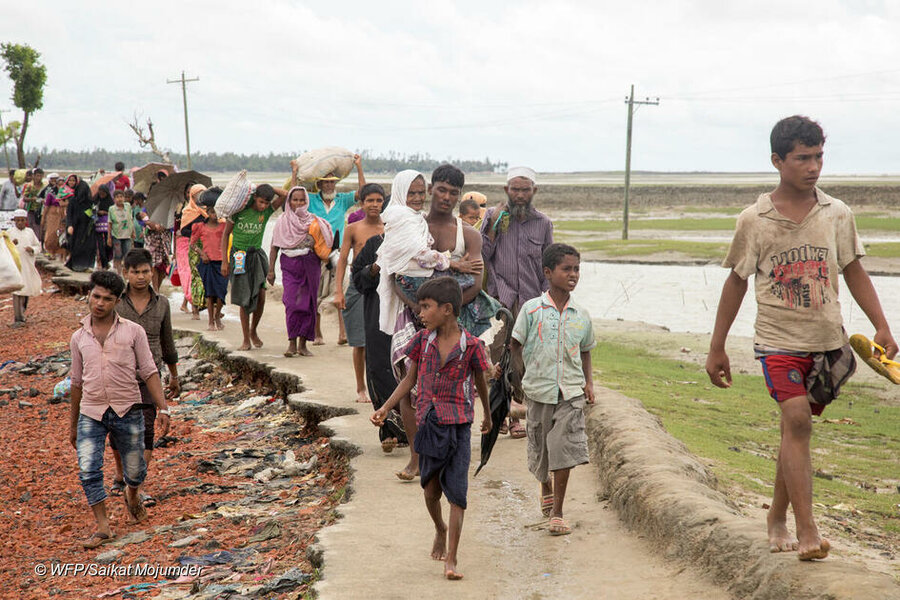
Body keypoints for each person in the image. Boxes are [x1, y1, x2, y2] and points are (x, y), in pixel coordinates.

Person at [705, 115, 898, 561]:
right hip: (777, 340)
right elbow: (735, 282)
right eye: (802, 158)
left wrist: (883, 325)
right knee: (797, 423)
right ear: (777, 161)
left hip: (828, 342)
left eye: (818, 157)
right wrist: (717, 347)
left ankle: (776, 515)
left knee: (796, 433)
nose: (813, 167)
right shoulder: (755, 219)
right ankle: (808, 532)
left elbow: (853, 270)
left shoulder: (837, 214)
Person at [371, 277, 491, 581]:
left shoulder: (472, 346)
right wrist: (385, 407)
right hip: (428, 422)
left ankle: (451, 559)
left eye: (426, 307)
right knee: (430, 490)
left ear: (447, 309)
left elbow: (480, 384)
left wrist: (488, 416)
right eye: (420, 307)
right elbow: (409, 380)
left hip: (459, 425)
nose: (420, 313)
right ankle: (439, 527)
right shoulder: (422, 342)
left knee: (457, 494)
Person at [69, 271, 171, 548]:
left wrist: (163, 409)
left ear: (116, 301)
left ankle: (133, 495)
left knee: (136, 470)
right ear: (89, 296)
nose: (100, 303)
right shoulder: (78, 338)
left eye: (107, 299)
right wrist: (73, 424)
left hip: (129, 407)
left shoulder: (133, 332)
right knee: (88, 469)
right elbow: (76, 383)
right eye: (96, 297)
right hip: (91, 411)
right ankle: (103, 527)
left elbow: (149, 371)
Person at [510, 243, 595, 536]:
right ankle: (544, 484)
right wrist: (519, 378)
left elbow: (585, 351)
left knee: (562, 447)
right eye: (566, 269)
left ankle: (558, 511)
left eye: (577, 269)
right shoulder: (532, 310)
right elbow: (515, 345)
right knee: (541, 446)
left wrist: (589, 383)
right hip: (538, 390)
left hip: (570, 392)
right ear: (548, 273)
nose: (573, 275)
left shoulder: (581, 315)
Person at [111, 248, 181, 507]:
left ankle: (136, 484)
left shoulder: (161, 304)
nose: (141, 277)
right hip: (117, 376)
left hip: (150, 375)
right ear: (125, 273)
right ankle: (120, 475)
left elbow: (168, 341)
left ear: (152, 271)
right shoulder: (116, 303)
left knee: (147, 430)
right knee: (117, 429)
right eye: (136, 272)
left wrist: (174, 376)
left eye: (145, 272)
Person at [352, 229, 407, 452]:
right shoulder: (375, 244)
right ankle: (388, 428)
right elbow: (358, 280)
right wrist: (375, 268)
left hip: (409, 311)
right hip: (378, 311)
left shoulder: (419, 241)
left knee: (407, 366)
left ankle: (409, 427)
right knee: (380, 365)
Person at [334, 182, 386, 403]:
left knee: (381, 340)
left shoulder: (389, 227)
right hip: (358, 287)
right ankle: (360, 388)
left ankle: (381, 386)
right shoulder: (353, 228)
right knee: (359, 342)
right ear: (362, 203)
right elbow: (343, 260)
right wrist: (338, 292)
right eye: (370, 200)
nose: (374, 205)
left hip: (382, 289)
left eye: (378, 200)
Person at [221, 182, 289, 351]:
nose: (263, 206)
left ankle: (254, 331)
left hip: (257, 256)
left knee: (261, 295)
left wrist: (268, 187)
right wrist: (224, 261)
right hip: (239, 256)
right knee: (244, 299)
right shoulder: (239, 211)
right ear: (254, 198)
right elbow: (225, 235)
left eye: (266, 203)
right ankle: (245, 339)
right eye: (261, 202)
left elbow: (286, 194)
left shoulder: (266, 212)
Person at [267, 186, 333, 357]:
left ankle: (303, 344)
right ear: (289, 202)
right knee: (291, 303)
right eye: (295, 199)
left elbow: (325, 241)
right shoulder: (282, 221)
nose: (298, 203)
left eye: (302, 200)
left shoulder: (314, 221)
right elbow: (274, 247)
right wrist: (271, 270)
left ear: (307, 201)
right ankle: (291, 343)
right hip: (289, 265)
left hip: (310, 264)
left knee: (309, 303)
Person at [309, 154, 366, 345]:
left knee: (341, 292)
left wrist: (359, 167)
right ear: (319, 185)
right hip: (316, 254)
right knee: (316, 294)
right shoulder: (312, 200)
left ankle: (343, 333)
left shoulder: (342, 200)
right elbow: (294, 194)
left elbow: (363, 192)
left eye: (332, 183)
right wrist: (294, 173)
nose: (329, 186)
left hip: (338, 255)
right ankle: (317, 334)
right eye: (325, 183)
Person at [192, 200, 228, 332]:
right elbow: (193, 244)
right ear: (207, 213)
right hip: (207, 263)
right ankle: (211, 321)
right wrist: (202, 254)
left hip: (222, 262)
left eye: (217, 212)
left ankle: (217, 316)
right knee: (210, 293)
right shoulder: (200, 227)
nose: (214, 215)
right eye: (212, 212)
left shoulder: (224, 226)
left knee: (221, 292)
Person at [177, 183, 208, 319]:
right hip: (195, 247)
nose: (200, 197)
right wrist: (197, 233)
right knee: (195, 278)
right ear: (192, 196)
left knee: (207, 277)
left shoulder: (209, 211)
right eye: (197, 195)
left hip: (208, 247)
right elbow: (184, 230)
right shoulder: (188, 211)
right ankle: (195, 309)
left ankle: (211, 307)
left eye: (203, 194)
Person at [8, 209, 42, 326]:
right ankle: (18, 318)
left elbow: (38, 246)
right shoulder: (10, 232)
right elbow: (4, 248)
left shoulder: (30, 232)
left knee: (26, 289)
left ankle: (23, 312)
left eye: (22, 220)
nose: (20, 223)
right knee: (17, 291)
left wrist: (32, 249)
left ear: (26, 221)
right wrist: (12, 244)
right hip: (15, 266)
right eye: (18, 220)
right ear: (14, 221)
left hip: (28, 265)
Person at [65, 174, 98, 272]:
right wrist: (70, 225)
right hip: (76, 228)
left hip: (88, 229)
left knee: (89, 247)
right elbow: (69, 215)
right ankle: (76, 265)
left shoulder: (90, 202)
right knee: (77, 246)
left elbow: (93, 215)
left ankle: (86, 266)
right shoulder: (73, 201)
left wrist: (94, 216)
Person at [40, 173, 67, 261]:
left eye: (62, 184)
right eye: (59, 184)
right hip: (52, 215)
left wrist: (63, 203)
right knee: (51, 234)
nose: (60, 186)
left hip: (63, 214)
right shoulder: (51, 194)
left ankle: (62, 254)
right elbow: (46, 207)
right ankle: (51, 252)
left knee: (62, 234)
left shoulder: (67, 193)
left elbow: (68, 203)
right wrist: (43, 218)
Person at [108, 190, 134, 275]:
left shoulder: (128, 206)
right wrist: (109, 237)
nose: (120, 199)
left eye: (121, 197)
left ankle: (126, 273)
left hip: (127, 235)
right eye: (117, 197)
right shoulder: (112, 209)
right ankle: (118, 272)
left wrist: (133, 231)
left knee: (127, 255)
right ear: (114, 199)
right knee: (118, 254)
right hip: (116, 235)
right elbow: (110, 223)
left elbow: (131, 219)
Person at [93, 185, 114, 270]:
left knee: (108, 245)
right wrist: (97, 212)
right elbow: (92, 211)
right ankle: (104, 265)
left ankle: (107, 260)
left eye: (103, 193)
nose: (101, 195)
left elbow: (113, 212)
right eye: (100, 193)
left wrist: (105, 212)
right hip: (97, 225)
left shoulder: (110, 202)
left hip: (107, 225)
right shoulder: (96, 200)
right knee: (100, 246)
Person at [21, 167, 44, 240]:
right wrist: (32, 199)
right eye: (37, 176)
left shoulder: (44, 186)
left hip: (41, 211)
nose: (39, 178)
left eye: (40, 176)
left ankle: (39, 243)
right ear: (34, 176)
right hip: (31, 209)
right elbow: (24, 198)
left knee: (40, 227)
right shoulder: (29, 186)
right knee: (31, 227)